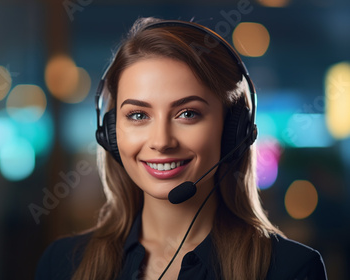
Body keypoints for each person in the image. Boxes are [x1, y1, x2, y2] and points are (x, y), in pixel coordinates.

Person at [36, 17, 327, 280]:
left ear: (233, 130)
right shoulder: (62, 264)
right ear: (111, 133)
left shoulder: (291, 270)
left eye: (187, 113)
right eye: (138, 115)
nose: (162, 141)